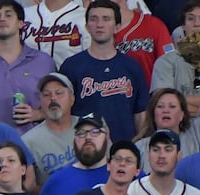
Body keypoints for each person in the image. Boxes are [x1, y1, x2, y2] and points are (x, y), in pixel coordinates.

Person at [60, 0, 148, 143]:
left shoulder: (131, 66)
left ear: (117, 27)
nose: (99, 24)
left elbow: (141, 113)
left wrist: (139, 145)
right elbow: (64, 115)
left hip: (124, 151)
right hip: (86, 149)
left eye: (106, 19)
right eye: (94, 19)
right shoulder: (71, 66)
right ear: (87, 26)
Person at [0, 0, 57, 132]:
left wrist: (40, 114)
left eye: (8, 15)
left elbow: (60, 104)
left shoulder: (44, 62)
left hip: (32, 145)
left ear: (21, 23)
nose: (2, 19)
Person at [38, 112, 111, 195]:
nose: (88, 138)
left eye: (95, 132)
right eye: (81, 133)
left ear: (106, 136)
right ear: (74, 139)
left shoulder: (124, 174)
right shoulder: (56, 181)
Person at [23, 71, 77, 184]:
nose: (53, 98)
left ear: (72, 99)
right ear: (40, 102)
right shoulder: (28, 142)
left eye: (59, 93)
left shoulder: (90, 128)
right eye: (46, 95)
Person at [23, 0, 90, 69]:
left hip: (70, 78)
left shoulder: (84, 17)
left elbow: (91, 59)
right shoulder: (24, 15)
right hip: (25, 78)